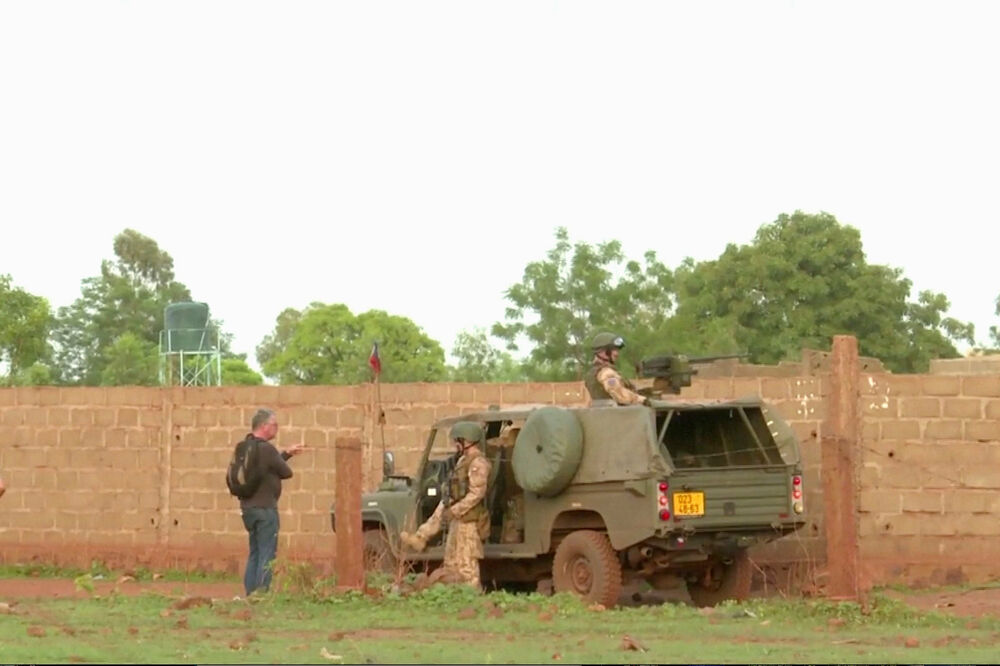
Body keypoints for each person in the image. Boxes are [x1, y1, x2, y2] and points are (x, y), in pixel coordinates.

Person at [399, 421, 492, 590]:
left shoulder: (478, 463)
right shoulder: (463, 460)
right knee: (451, 563)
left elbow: (476, 494)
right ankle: (421, 536)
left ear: (467, 440)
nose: (455, 444)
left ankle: (472, 599)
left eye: (458, 440)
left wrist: (455, 510)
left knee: (467, 568)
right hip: (457, 519)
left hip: (468, 522)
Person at [239, 408, 305, 597]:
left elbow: (265, 468)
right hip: (265, 509)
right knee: (267, 553)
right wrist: (282, 457)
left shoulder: (245, 447)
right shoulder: (266, 449)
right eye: (274, 425)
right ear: (264, 426)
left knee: (255, 552)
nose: (277, 428)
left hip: (248, 508)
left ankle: (251, 593)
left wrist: (286, 454)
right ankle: (261, 594)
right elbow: (286, 472)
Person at [585, 332, 651, 406]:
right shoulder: (606, 373)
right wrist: (644, 400)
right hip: (618, 412)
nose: (617, 354)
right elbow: (620, 395)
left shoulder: (593, 372)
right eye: (614, 350)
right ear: (603, 351)